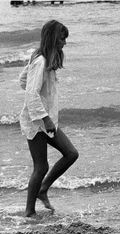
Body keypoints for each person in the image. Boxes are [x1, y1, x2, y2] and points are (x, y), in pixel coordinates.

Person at [19, 20, 79, 217]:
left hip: (46, 119)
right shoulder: (41, 61)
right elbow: (30, 93)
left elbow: (22, 81)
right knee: (41, 166)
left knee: (71, 153)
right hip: (37, 122)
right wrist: (44, 118)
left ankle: (43, 189)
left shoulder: (46, 59)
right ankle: (29, 212)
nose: (64, 43)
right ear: (53, 38)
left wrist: (45, 111)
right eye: (62, 38)